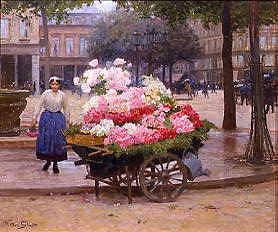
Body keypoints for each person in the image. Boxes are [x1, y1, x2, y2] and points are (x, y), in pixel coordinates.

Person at [32, 76, 70, 174]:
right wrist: (34, 118)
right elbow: (39, 105)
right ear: (50, 85)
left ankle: (55, 164)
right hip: (47, 118)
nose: (54, 86)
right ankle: (48, 161)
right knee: (47, 139)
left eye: (56, 84)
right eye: (52, 84)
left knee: (57, 140)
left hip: (58, 119)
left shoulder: (62, 95)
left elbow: (66, 109)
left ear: (59, 85)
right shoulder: (46, 94)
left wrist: (67, 122)